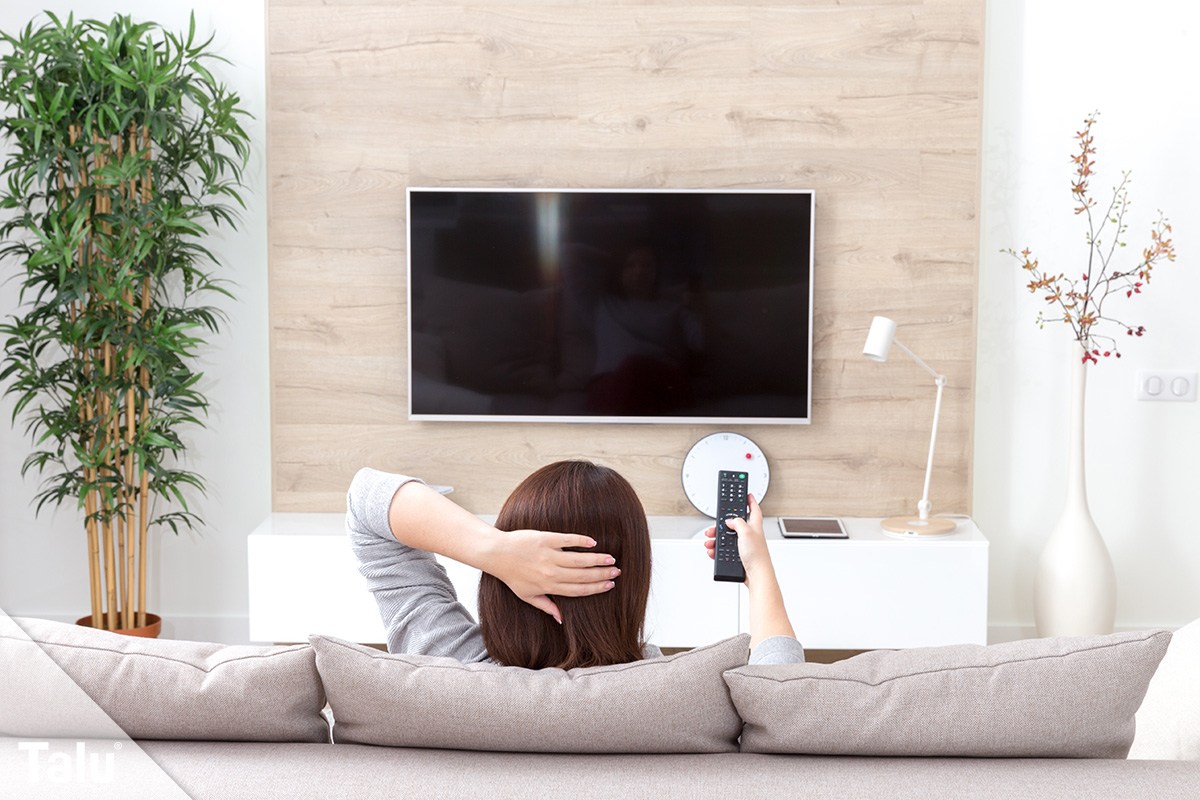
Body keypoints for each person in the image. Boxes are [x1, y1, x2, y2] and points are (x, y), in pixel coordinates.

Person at [347, 459, 804, 669]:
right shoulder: (678, 689)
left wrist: (492, 549)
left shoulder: (444, 666)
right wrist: (759, 568)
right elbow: (780, 693)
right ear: (635, 577)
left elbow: (367, 500)